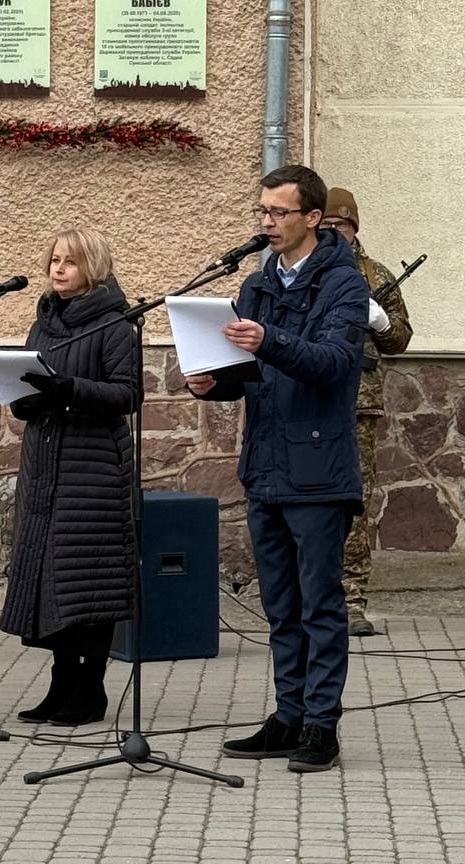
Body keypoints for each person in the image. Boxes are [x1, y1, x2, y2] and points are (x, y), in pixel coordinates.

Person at [186, 165, 368, 773]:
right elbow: (248, 373)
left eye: (278, 212)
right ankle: (288, 715)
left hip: (318, 469)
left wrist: (267, 341)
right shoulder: (257, 283)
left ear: (312, 218)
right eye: (261, 211)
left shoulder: (345, 284)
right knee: (280, 606)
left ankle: (321, 725)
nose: (266, 222)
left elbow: (333, 363)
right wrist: (212, 381)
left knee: (320, 605)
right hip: (265, 465)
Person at [0, 227, 137, 727]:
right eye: (55, 260)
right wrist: (24, 400)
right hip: (44, 466)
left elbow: (127, 393)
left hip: (93, 468)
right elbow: (30, 383)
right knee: (49, 578)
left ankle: (90, 690)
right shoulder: (44, 322)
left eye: (70, 261)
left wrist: (69, 390)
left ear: (92, 268)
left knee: (89, 580)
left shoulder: (116, 324)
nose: (58, 269)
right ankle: (61, 684)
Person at [321, 188, 413, 637]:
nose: (331, 233)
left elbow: (400, 340)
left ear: (353, 227)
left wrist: (381, 321)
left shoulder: (376, 275)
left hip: (359, 404)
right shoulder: (304, 273)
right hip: (313, 398)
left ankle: (352, 601)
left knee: (354, 502)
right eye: (324, 226)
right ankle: (312, 598)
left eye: (339, 226)